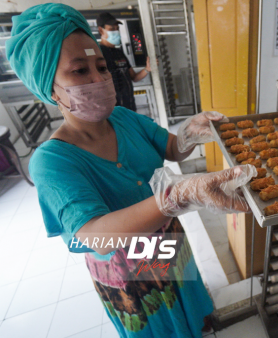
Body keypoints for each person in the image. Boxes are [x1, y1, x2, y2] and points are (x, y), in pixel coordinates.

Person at [6, 4, 255, 338]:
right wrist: (172, 199)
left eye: (101, 66)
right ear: (49, 87)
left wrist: (189, 133)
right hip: (128, 271)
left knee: (188, 307)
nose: (99, 79)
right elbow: (95, 235)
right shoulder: (53, 161)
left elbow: (169, 148)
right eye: (79, 72)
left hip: (168, 242)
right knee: (162, 326)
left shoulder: (123, 118)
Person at [97, 12, 151, 111]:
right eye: (112, 29)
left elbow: (134, 77)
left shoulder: (119, 53)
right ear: (101, 30)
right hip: (114, 112)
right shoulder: (99, 54)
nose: (116, 31)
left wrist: (147, 69)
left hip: (130, 108)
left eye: (117, 28)